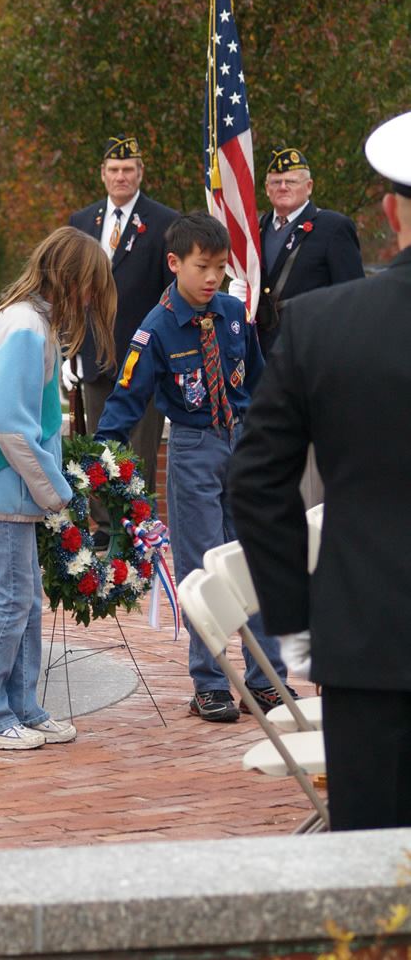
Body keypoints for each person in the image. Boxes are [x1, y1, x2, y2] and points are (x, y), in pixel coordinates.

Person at [228, 111, 411, 831]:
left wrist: (294, 615)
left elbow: (255, 480)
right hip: (364, 640)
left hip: (366, 639)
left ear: (391, 209)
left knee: (370, 884)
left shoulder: (320, 325)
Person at [97, 211, 290, 723]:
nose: (212, 278)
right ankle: (209, 684)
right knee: (203, 566)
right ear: (174, 263)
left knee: (255, 559)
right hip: (194, 447)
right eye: (203, 267)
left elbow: (260, 382)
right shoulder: (157, 327)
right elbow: (126, 398)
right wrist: (100, 454)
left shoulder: (231, 314)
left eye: (221, 268)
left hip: (243, 444)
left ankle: (266, 679)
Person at [0, 227, 116, 750]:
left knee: (23, 596)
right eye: (89, 287)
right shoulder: (25, 326)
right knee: (13, 596)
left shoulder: (29, 321)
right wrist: (57, 494)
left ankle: (19, 705)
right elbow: (10, 422)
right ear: (69, 280)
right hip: (3, 480)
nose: (90, 300)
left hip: (11, 481)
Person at [64, 135, 178, 544]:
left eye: (128, 169)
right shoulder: (82, 222)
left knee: (140, 449)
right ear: (102, 175)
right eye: (113, 170)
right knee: (100, 444)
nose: (121, 176)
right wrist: (69, 351)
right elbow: (69, 290)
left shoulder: (165, 222)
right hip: (94, 356)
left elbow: (171, 296)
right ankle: (104, 526)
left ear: (140, 173)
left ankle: (137, 527)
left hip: (144, 358)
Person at [230, 147, 363, 358]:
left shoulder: (334, 227)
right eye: (276, 182)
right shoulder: (257, 229)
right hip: (263, 352)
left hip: (312, 351)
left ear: (309, 187)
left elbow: (353, 299)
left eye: (291, 181)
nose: (282, 187)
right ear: (266, 188)